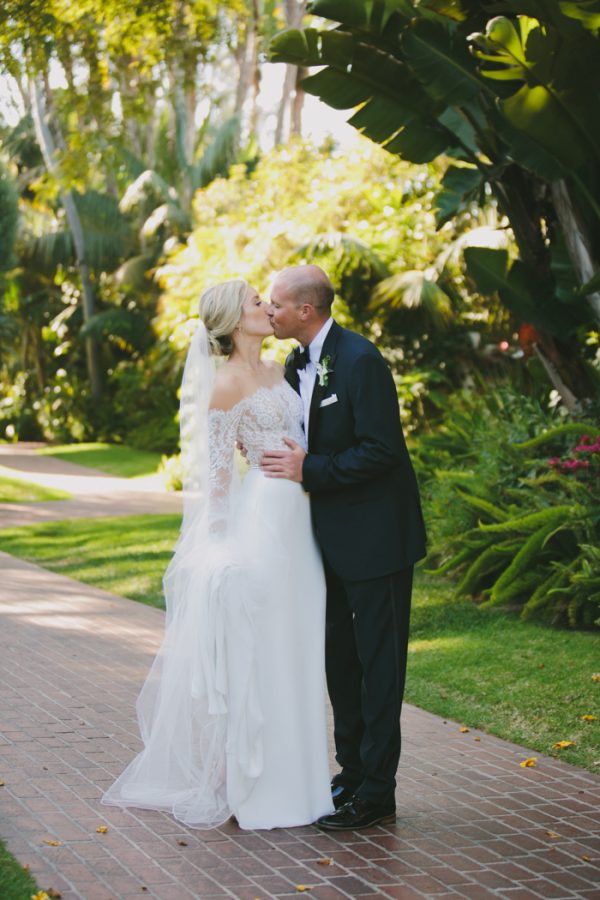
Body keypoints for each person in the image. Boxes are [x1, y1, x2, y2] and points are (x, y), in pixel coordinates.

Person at [102, 279, 334, 830]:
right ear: (235, 320)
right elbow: (217, 481)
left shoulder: (283, 371)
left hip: (304, 522)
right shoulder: (225, 386)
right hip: (263, 524)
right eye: (257, 302)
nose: (266, 307)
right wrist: (220, 553)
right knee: (265, 651)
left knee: (301, 647)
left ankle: (307, 782)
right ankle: (257, 783)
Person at [262, 265, 426, 831]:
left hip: (378, 541)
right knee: (340, 660)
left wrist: (312, 469)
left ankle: (379, 792)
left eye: (276, 304)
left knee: (380, 667)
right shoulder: (293, 362)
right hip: (326, 544)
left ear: (306, 311)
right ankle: (351, 772)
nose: (269, 311)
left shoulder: (361, 361)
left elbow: (383, 451)